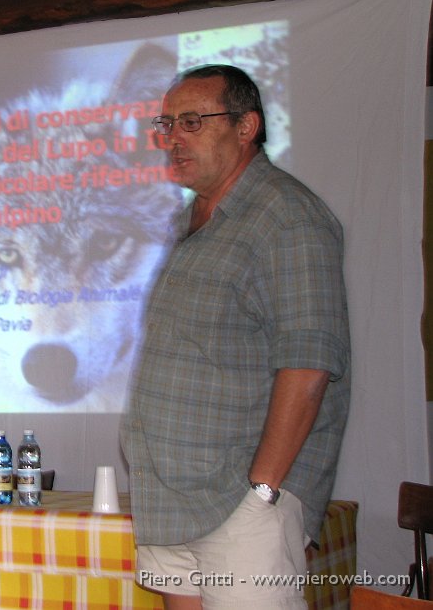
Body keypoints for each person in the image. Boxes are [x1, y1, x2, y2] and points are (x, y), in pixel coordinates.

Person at [121, 65, 350, 609]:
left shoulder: (287, 218)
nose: (173, 137)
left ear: (246, 127)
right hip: (173, 497)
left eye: (193, 121)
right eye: (167, 123)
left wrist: (263, 491)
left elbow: (309, 365)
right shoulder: (190, 222)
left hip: (242, 502)